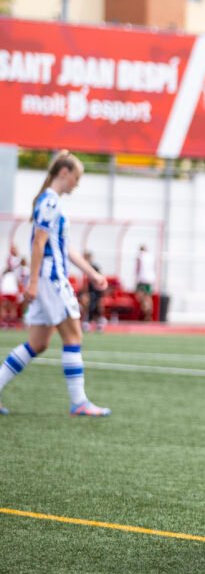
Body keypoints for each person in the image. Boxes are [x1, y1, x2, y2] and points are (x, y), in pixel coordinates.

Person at [0, 151, 111, 417]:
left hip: (47, 279)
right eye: (76, 178)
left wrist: (91, 274)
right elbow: (38, 244)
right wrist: (34, 282)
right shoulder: (50, 202)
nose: (77, 184)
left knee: (38, 343)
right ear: (64, 173)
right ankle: (79, 402)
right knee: (73, 336)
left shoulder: (50, 202)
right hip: (51, 279)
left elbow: (64, 247)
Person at [79, 250, 108, 333]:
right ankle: (88, 321)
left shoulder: (94, 267)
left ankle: (98, 322)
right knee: (89, 306)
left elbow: (99, 278)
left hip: (95, 290)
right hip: (89, 291)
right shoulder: (83, 267)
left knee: (95, 306)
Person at [134, 244, 156, 321]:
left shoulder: (140, 256)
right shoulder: (151, 257)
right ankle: (148, 314)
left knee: (140, 296)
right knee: (148, 296)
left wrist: (136, 278)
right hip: (150, 279)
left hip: (142, 279)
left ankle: (145, 312)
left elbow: (138, 268)